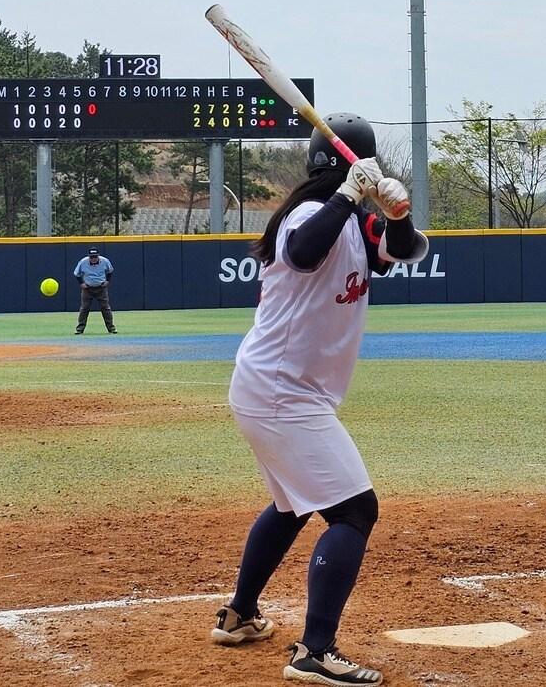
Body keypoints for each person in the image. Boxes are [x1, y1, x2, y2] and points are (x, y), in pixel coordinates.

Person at [210, 113, 427, 687]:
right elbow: (304, 253)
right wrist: (350, 194)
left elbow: (401, 252)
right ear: (352, 167)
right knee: (355, 511)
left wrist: (398, 214)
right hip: (283, 391)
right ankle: (315, 650)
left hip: (278, 389)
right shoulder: (309, 215)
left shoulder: (356, 222)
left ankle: (239, 614)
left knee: (292, 506)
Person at [73, 247, 116, 335]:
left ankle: (111, 328)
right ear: (89, 257)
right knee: (84, 308)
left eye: (95, 257)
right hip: (87, 288)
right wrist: (81, 283)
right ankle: (80, 329)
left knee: (105, 308)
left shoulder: (105, 261)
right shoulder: (83, 262)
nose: (93, 259)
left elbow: (110, 271)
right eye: (91, 257)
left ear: (98, 256)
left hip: (101, 287)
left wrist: (107, 281)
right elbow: (76, 274)